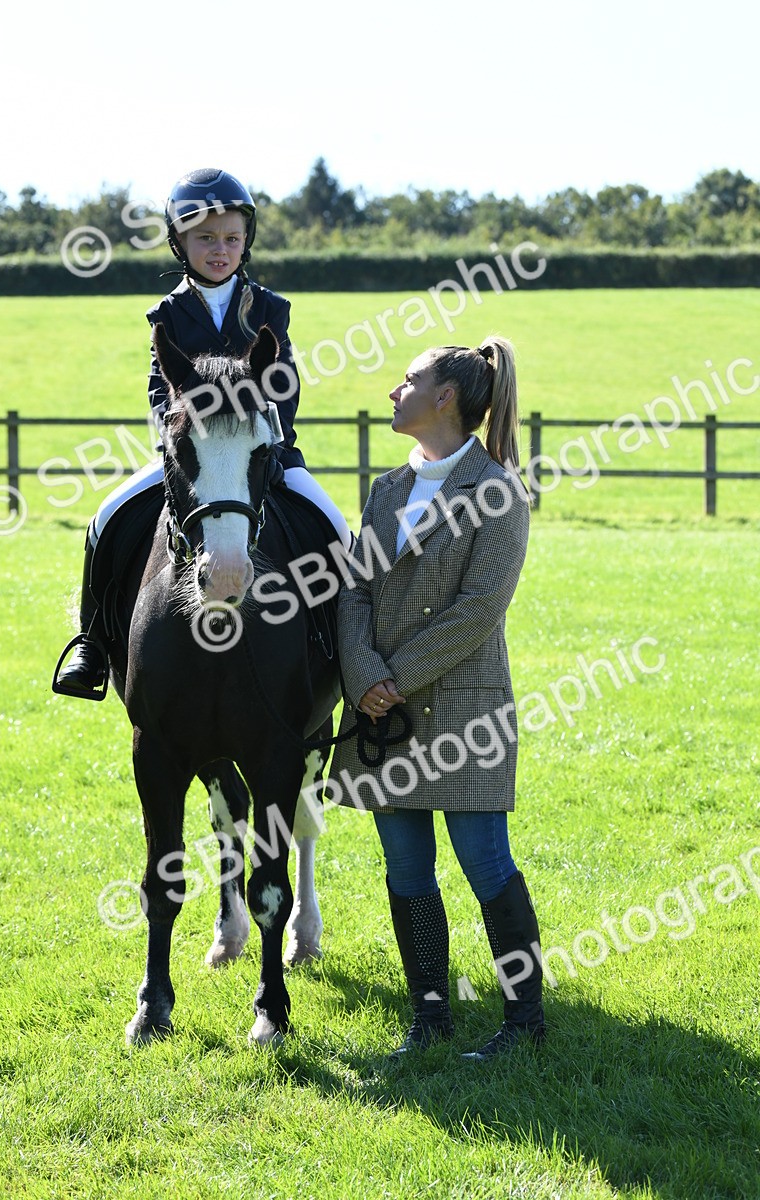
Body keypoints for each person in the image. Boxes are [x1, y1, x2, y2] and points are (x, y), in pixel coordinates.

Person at [328, 336, 545, 1059]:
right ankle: (429, 1019)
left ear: (445, 396)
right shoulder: (387, 489)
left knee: (486, 864)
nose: (394, 391)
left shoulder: (499, 491)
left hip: (463, 712)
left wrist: (391, 677)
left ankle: (524, 1022)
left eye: (408, 380)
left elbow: (480, 609)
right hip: (381, 711)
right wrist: (363, 675)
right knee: (406, 871)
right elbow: (354, 589)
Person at [56, 167, 351, 697]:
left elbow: (283, 383)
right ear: (180, 243)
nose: (220, 249)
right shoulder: (167, 313)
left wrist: (263, 432)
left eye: (232, 238)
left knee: (338, 530)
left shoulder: (270, 308)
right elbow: (159, 387)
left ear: (246, 241)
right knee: (103, 519)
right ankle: (92, 644)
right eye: (206, 238)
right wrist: (178, 435)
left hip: (262, 452)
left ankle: (348, 647)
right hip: (190, 456)